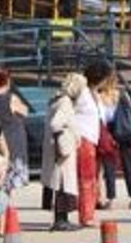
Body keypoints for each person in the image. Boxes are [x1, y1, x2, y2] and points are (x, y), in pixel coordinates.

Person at [41, 73, 85, 232]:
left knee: (57, 183)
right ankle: (61, 220)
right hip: (62, 152)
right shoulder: (65, 102)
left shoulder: (56, 100)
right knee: (63, 184)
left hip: (53, 151)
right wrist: (65, 137)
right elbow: (56, 124)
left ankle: (61, 219)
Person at [0, 68, 29, 194]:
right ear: (7, 80)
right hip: (12, 144)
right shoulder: (10, 98)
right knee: (8, 184)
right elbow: (25, 111)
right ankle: (2, 211)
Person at [97, 71, 131, 210]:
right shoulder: (122, 94)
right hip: (124, 130)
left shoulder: (100, 96)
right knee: (129, 165)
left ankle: (111, 198)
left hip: (109, 130)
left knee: (109, 165)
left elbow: (102, 118)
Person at [74, 62, 106, 227]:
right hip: (83, 138)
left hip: (92, 139)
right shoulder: (83, 93)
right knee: (87, 178)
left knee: (91, 178)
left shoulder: (94, 94)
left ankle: (88, 212)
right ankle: (86, 215)